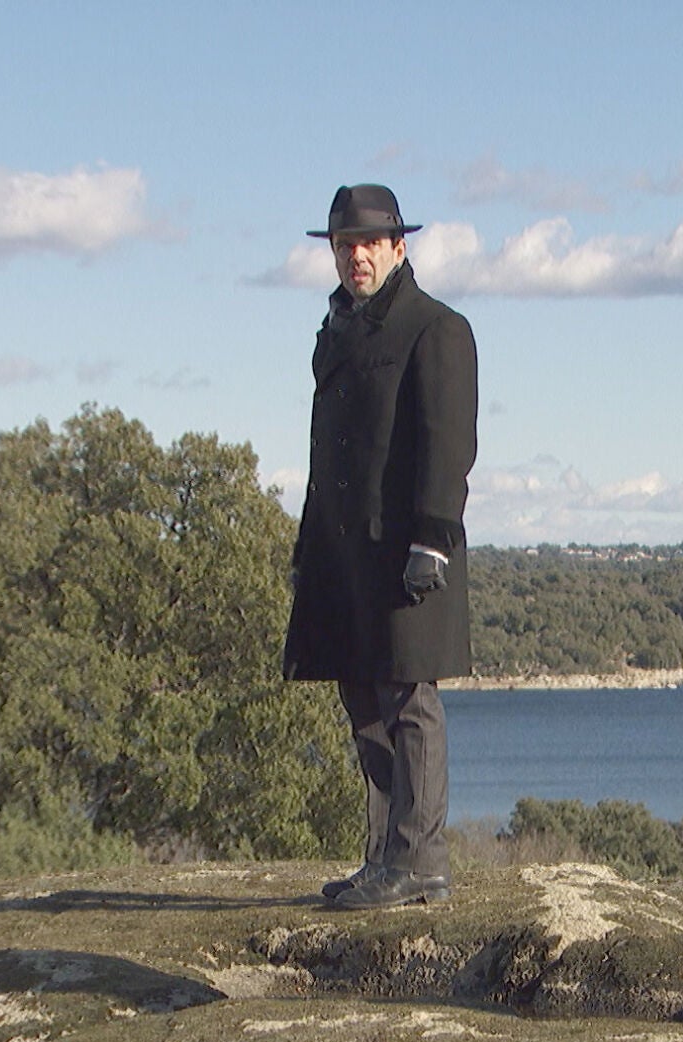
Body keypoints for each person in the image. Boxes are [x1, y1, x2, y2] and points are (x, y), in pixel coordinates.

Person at [283, 183, 478, 910]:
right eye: (343, 244)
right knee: (362, 699)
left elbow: (448, 442)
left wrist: (433, 537)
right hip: (342, 553)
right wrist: (309, 548)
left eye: (369, 242)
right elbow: (322, 456)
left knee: (408, 699)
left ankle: (419, 861)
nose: (356, 256)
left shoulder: (436, 329)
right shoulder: (335, 335)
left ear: (400, 246)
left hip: (406, 551)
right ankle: (384, 857)